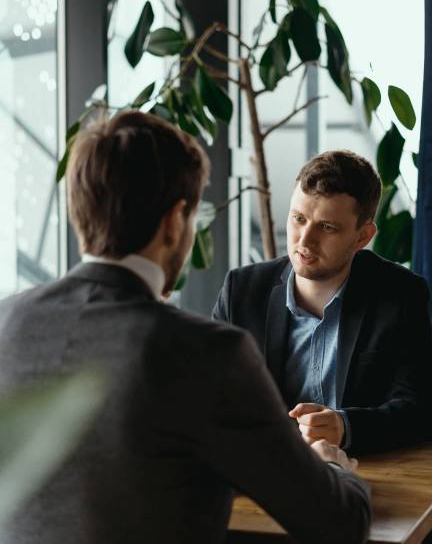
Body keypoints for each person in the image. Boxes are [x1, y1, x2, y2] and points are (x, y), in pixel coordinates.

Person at [0, 113, 370, 544]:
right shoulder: (208, 354)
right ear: (176, 221)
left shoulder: (7, 322)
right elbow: (339, 523)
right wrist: (332, 468)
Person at [213, 150, 432, 454]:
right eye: (298, 219)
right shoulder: (242, 291)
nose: (304, 241)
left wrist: (345, 427)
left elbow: (418, 412)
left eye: (327, 227)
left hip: (363, 475)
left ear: (362, 237)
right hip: (262, 472)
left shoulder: (400, 295)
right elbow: (209, 396)